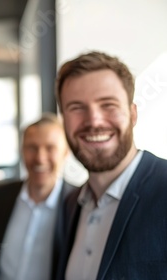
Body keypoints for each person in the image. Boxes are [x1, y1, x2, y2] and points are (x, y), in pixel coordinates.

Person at [55, 51, 167, 280]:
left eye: (108, 104)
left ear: (133, 114)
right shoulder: (70, 204)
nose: (94, 121)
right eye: (76, 107)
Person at [0, 113, 75, 280]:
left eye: (50, 148)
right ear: (22, 150)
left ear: (66, 152)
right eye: (32, 147)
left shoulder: (78, 204)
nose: (40, 158)